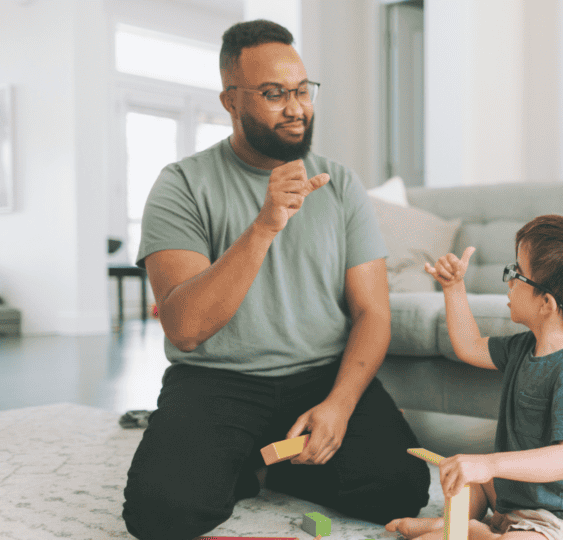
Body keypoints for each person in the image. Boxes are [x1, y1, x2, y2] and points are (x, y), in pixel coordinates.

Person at [121, 19, 430, 540]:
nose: (296, 107)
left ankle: (263, 460)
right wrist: (263, 227)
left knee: (401, 489)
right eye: (273, 94)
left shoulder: (342, 184)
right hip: (217, 380)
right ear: (230, 101)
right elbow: (186, 328)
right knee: (160, 516)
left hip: (320, 377)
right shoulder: (181, 184)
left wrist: (339, 404)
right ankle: (247, 458)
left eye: (302, 90)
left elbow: (373, 312)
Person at [387, 214, 563, 540]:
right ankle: (463, 526)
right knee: (469, 477)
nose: (509, 279)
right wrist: (453, 288)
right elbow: (468, 346)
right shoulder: (525, 347)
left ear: (546, 303)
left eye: (517, 272)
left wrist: (490, 464)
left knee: (486, 478)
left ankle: (477, 532)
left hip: (561, 521)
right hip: (514, 499)